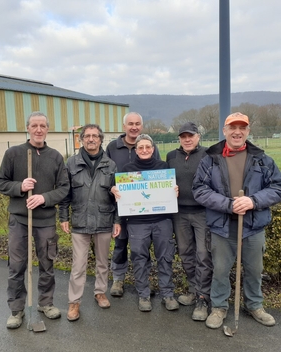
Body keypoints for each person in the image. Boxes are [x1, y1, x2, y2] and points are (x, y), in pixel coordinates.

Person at [192, 112, 281, 329]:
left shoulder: (262, 159)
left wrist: (253, 201)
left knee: (253, 269)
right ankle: (219, 307)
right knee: (220, 270)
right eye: (233, 127)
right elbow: (199, 189)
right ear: (225, 130)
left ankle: (254, 305)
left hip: (253, 226)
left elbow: (277, 187)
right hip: (222, 228)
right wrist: (228, 204)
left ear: (248, 131)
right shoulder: (211, 159)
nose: (237, 132)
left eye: (242, 128)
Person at [0, 111, 70, 329]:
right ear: (27, 128)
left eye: (43, 126)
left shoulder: (55, 156)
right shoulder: (13, 154)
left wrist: (43, 197)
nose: (39, 130)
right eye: (34, 125)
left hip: (45, 220)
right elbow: (0, 182)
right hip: (19, 220)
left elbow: (64, 188)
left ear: (47, 129)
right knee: (17, 265)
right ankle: (17, 310)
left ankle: (46, 303)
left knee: (47, 263)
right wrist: (19, 187)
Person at [59, 124, 121, 322]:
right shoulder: (71, 163)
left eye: (95, 136)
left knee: (103, 262)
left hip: (104, 219)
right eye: (87, 136)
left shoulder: (110, 165)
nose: (91, 139)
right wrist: (63, 216)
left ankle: (100, 292)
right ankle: (74, 302)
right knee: (78, 265)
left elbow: (118, 196)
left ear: (101, 139)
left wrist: (117, 220)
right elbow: (65, 192)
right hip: (80, 220)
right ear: (81, 139)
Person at [116, 134, 179, 312]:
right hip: (137, 223)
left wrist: (174, 190)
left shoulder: (163, 168)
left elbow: (170, 193)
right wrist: (116, 190)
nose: (144, 150)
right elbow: (120, 198)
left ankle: (167, 294)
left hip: (162, 221)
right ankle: (143, 294)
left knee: (165, 259)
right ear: (136, 150)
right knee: (139, 259)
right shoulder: (128, 170)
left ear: (153, 149)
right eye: (141, 147)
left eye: (148, 147)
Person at [106, 112, 161, 297]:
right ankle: (118, 280)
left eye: (137, 123)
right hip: (120, 206)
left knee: (143, 247)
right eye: (130, 124)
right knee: (120, 243)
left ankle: (145, 279)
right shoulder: (113, 147)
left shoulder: (150, 145)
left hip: (145, 209)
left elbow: (159, 171)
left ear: (142, 126)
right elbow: (106, 173)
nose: (134, 127)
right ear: (124, 126)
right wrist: (111, 188)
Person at [166, 122, 212, 321]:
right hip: (179, 213)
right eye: (183, 136)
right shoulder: (171, 157)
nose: (187, 139)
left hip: (202, 212)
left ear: (198, 136)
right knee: (185, 253)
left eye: (191, 135)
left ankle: (203, 296)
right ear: (179, 138)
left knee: (203, 254)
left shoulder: (208, 155)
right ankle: (193, 290)